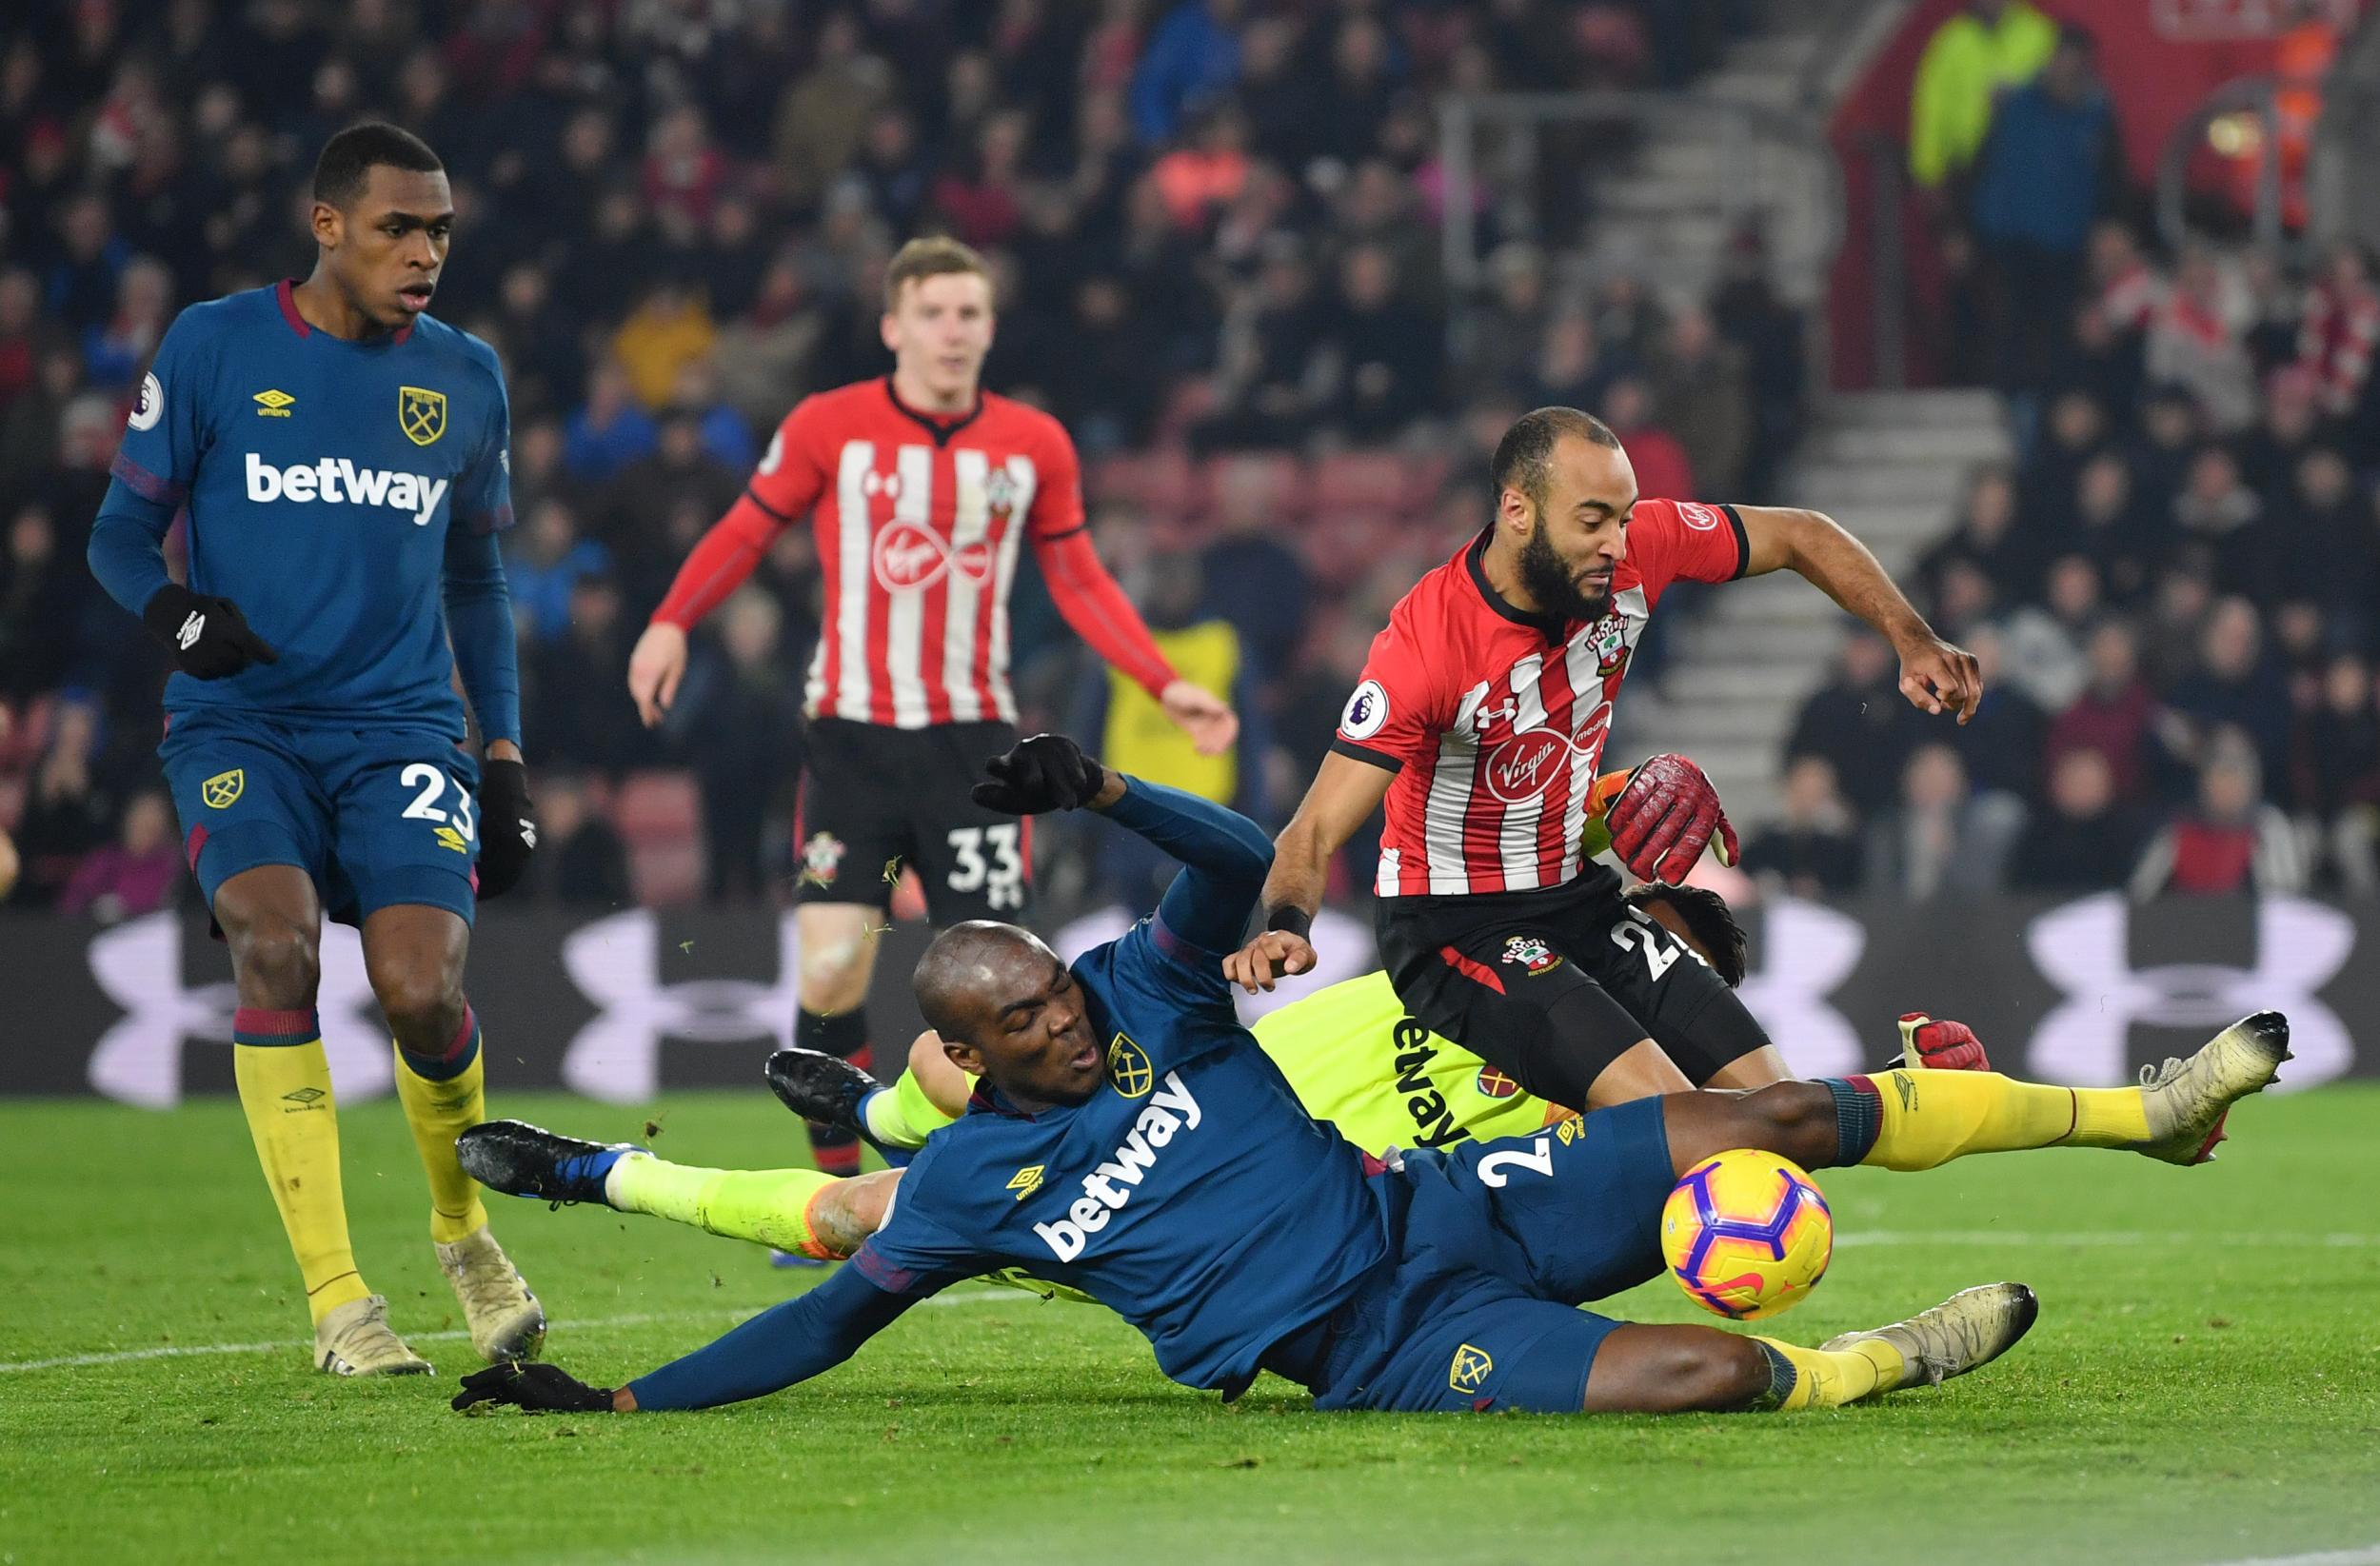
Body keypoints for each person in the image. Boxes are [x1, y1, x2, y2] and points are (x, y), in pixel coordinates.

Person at [449, 733, 2290, 1418]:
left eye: (1065, 1000)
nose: (1073, 1023)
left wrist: (1106, 790)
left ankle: (2144, 1112)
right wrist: (627, 1401)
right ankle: (1880, 1363)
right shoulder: (975, 1185)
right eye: (1035, 1025)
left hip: (1443, 1206)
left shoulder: (1150, 1000)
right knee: (1714, 1372)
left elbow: (1249, 858)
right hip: (1373, 1346)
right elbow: (825, 1327)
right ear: (991, 1052)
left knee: (1783, 1117)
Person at [624, 235, 1237, 1178]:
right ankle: (835, 1193)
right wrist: (671, 620)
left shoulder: (1032, 443)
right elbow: (747, 528)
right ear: (893, 327)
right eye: (933, 313)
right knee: (831, 968)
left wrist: (1163, 680)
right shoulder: (831, 425)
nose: (952, 331)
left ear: (989, 329)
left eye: (968, 314)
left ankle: (1028, 1178)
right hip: (851, 741)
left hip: (975, 753)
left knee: (1007, 987)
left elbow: (1078, 576)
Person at [84, 124, 543, 1378]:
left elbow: (478, 578)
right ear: (327, 224)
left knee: (421, 991)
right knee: (275, 945)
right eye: (400, 227)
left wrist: (504, 755)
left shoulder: (466, 378)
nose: (426, 251)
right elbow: (118, 533)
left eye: (440, 229)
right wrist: (177, 615)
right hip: (244, 723)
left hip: (401, 729)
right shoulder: (216, 345)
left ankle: (464, 1234)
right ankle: (341, 1301)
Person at [1224, 406, 1981, 1116]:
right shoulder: (1427, 646)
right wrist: (1286, 922)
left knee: (1778, 1107)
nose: (1617, 543)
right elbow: (1313, 829)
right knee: (1692, 1123)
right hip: (1455, 925)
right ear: (1517, 511)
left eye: (1623, 517)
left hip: (1574, 897)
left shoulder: (1635, 551)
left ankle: (1902, 1095)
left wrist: (1911, 637)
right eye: (1592, 521)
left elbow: (1801, 534)